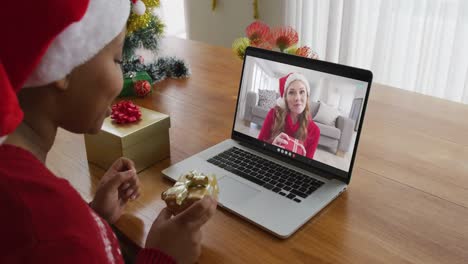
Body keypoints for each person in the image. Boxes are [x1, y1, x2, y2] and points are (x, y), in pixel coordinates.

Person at [0, 1, 217, 263]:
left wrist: (94, 217)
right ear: (64, 64)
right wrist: (162, 256)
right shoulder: (55, 229)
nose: (122, 78)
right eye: (117, 59)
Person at [258, 73, 320, 159]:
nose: (297, 98)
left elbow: (307, 166)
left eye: (302, 92)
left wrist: (303, 160)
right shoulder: (274, 114)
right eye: (291, 92)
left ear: (307, 96)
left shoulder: (315, 131)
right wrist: (272, 145)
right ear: (285, 98)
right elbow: (258, 148)